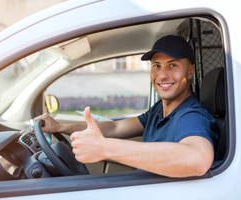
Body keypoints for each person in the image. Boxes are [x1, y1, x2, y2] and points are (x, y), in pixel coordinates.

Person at [34, 35, 218, 178]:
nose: (162, 75)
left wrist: (104, 148)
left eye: (173, 65)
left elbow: (198, 159)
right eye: (156, 65)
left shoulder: (191, 115)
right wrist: (60, 127)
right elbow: (116, 127)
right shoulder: (158, 110)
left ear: (190, 71)